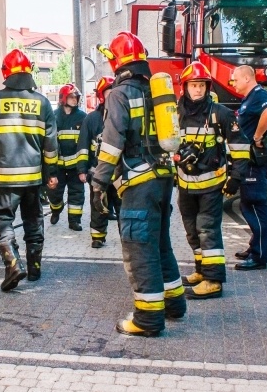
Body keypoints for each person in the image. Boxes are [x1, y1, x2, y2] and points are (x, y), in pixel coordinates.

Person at [92, 32, 186, 337]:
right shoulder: (155, 91)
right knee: (160, 244)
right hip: (162, 179)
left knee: (139, 250)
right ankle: (174, 303)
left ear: (117, 62)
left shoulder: (119, 94)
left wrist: (98, 184)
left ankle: (147, 319)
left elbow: (112, 143)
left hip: (138, 184)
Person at [0, 49, 59, 291]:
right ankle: (34, 269)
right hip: (33, 178)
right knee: (34, 220)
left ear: (6, 73)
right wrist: (50, 173)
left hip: (5, 178)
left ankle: (13, 263)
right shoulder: (43, 102)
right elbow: (51, 144)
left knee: (2, 220)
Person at [175, 62, 250, 299]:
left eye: (201, 86)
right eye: (193, 85)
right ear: (185, 87)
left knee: (207, 230)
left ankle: (214, 280)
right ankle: (201, 271)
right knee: (191, 231)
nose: (197, 90)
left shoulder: (221, 114)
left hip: (211, 186)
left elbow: (240, 148)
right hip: (185, 186)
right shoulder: (176, 114)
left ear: (208, 88)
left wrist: (236, 178)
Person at [231, 65, 267, 271]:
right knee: (246, 205)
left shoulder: (259, 95)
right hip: (247, 161)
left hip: (254, 161)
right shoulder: (249, 98)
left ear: (247, 78)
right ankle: (254, 246)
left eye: (236, 79)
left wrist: (257, 137)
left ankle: (259, 257)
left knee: (256, 206)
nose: (233, 83)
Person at [77, 76, 121, 248]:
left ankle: (126, 237)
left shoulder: (122, 115)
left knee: (122, 207)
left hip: (120, 172)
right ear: (102, 96)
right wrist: (82, 169)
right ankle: (98, 237)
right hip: (97, 171)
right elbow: (83, 146)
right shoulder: (92, 118)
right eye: (110, 93)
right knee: (97, 206)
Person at [46, 83, 87, 231]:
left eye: (76, 97)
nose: (75, 100)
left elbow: (85, 143)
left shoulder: (83, 117)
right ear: (63, 98)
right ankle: (56, 209)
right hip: (57, 165)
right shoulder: (53, 116)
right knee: (54, 193)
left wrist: (83, 167)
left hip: (76, 165)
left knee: (77, 194)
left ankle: (74, 221)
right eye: (71, 97)